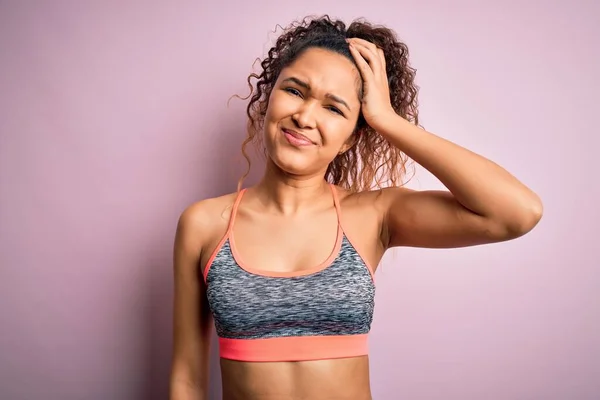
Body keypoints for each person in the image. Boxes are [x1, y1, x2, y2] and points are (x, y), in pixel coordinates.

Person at [168, 15, 543, 400]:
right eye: (295, 91)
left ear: (350, 138)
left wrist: (387, 120)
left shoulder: (373, 215)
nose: (305, 116)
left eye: (334, 109)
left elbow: (516, 213)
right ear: (268, 98)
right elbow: (187, 379)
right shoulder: (204, 224)